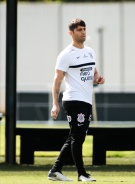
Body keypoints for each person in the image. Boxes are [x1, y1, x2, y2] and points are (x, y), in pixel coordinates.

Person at [47, 18, 105, 182]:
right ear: (71, 33)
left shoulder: (90, 52)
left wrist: (99, 79)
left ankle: (55, 170)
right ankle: (82, 174)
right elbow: (57, 81)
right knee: (77, 137)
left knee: (75, 136)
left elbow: (94, 75)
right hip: (73, 100)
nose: (83, 32)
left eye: (84, 29)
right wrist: (55, 104)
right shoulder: (66, 55)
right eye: (79, 29)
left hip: (86, 100)